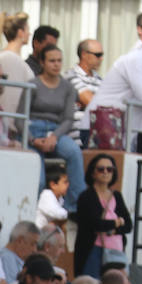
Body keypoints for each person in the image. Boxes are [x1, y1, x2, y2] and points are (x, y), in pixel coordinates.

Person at [27, 45, 85, 204]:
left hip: (56, 130)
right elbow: (20, 118)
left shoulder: (68, 88)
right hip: (32, 130)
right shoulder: (32, 84)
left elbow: (68, 119)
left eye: (59, 61)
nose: (56, 64)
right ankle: (36, 208)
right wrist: (32, 140)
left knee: (74, 153)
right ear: (42, 62)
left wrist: (53, 137)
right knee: (37, 177)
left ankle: (75, 208)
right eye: (52, 61)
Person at [73, 154, 132, 278]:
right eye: (101, 169)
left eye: (109, 169)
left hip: (116, 251)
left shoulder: (117, 196)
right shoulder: (86, 196)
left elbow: (128, 225)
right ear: (93, 173)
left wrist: (113, 229)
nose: (105, 172)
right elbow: (95, 224)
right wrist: (116, 222)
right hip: (93, 251)